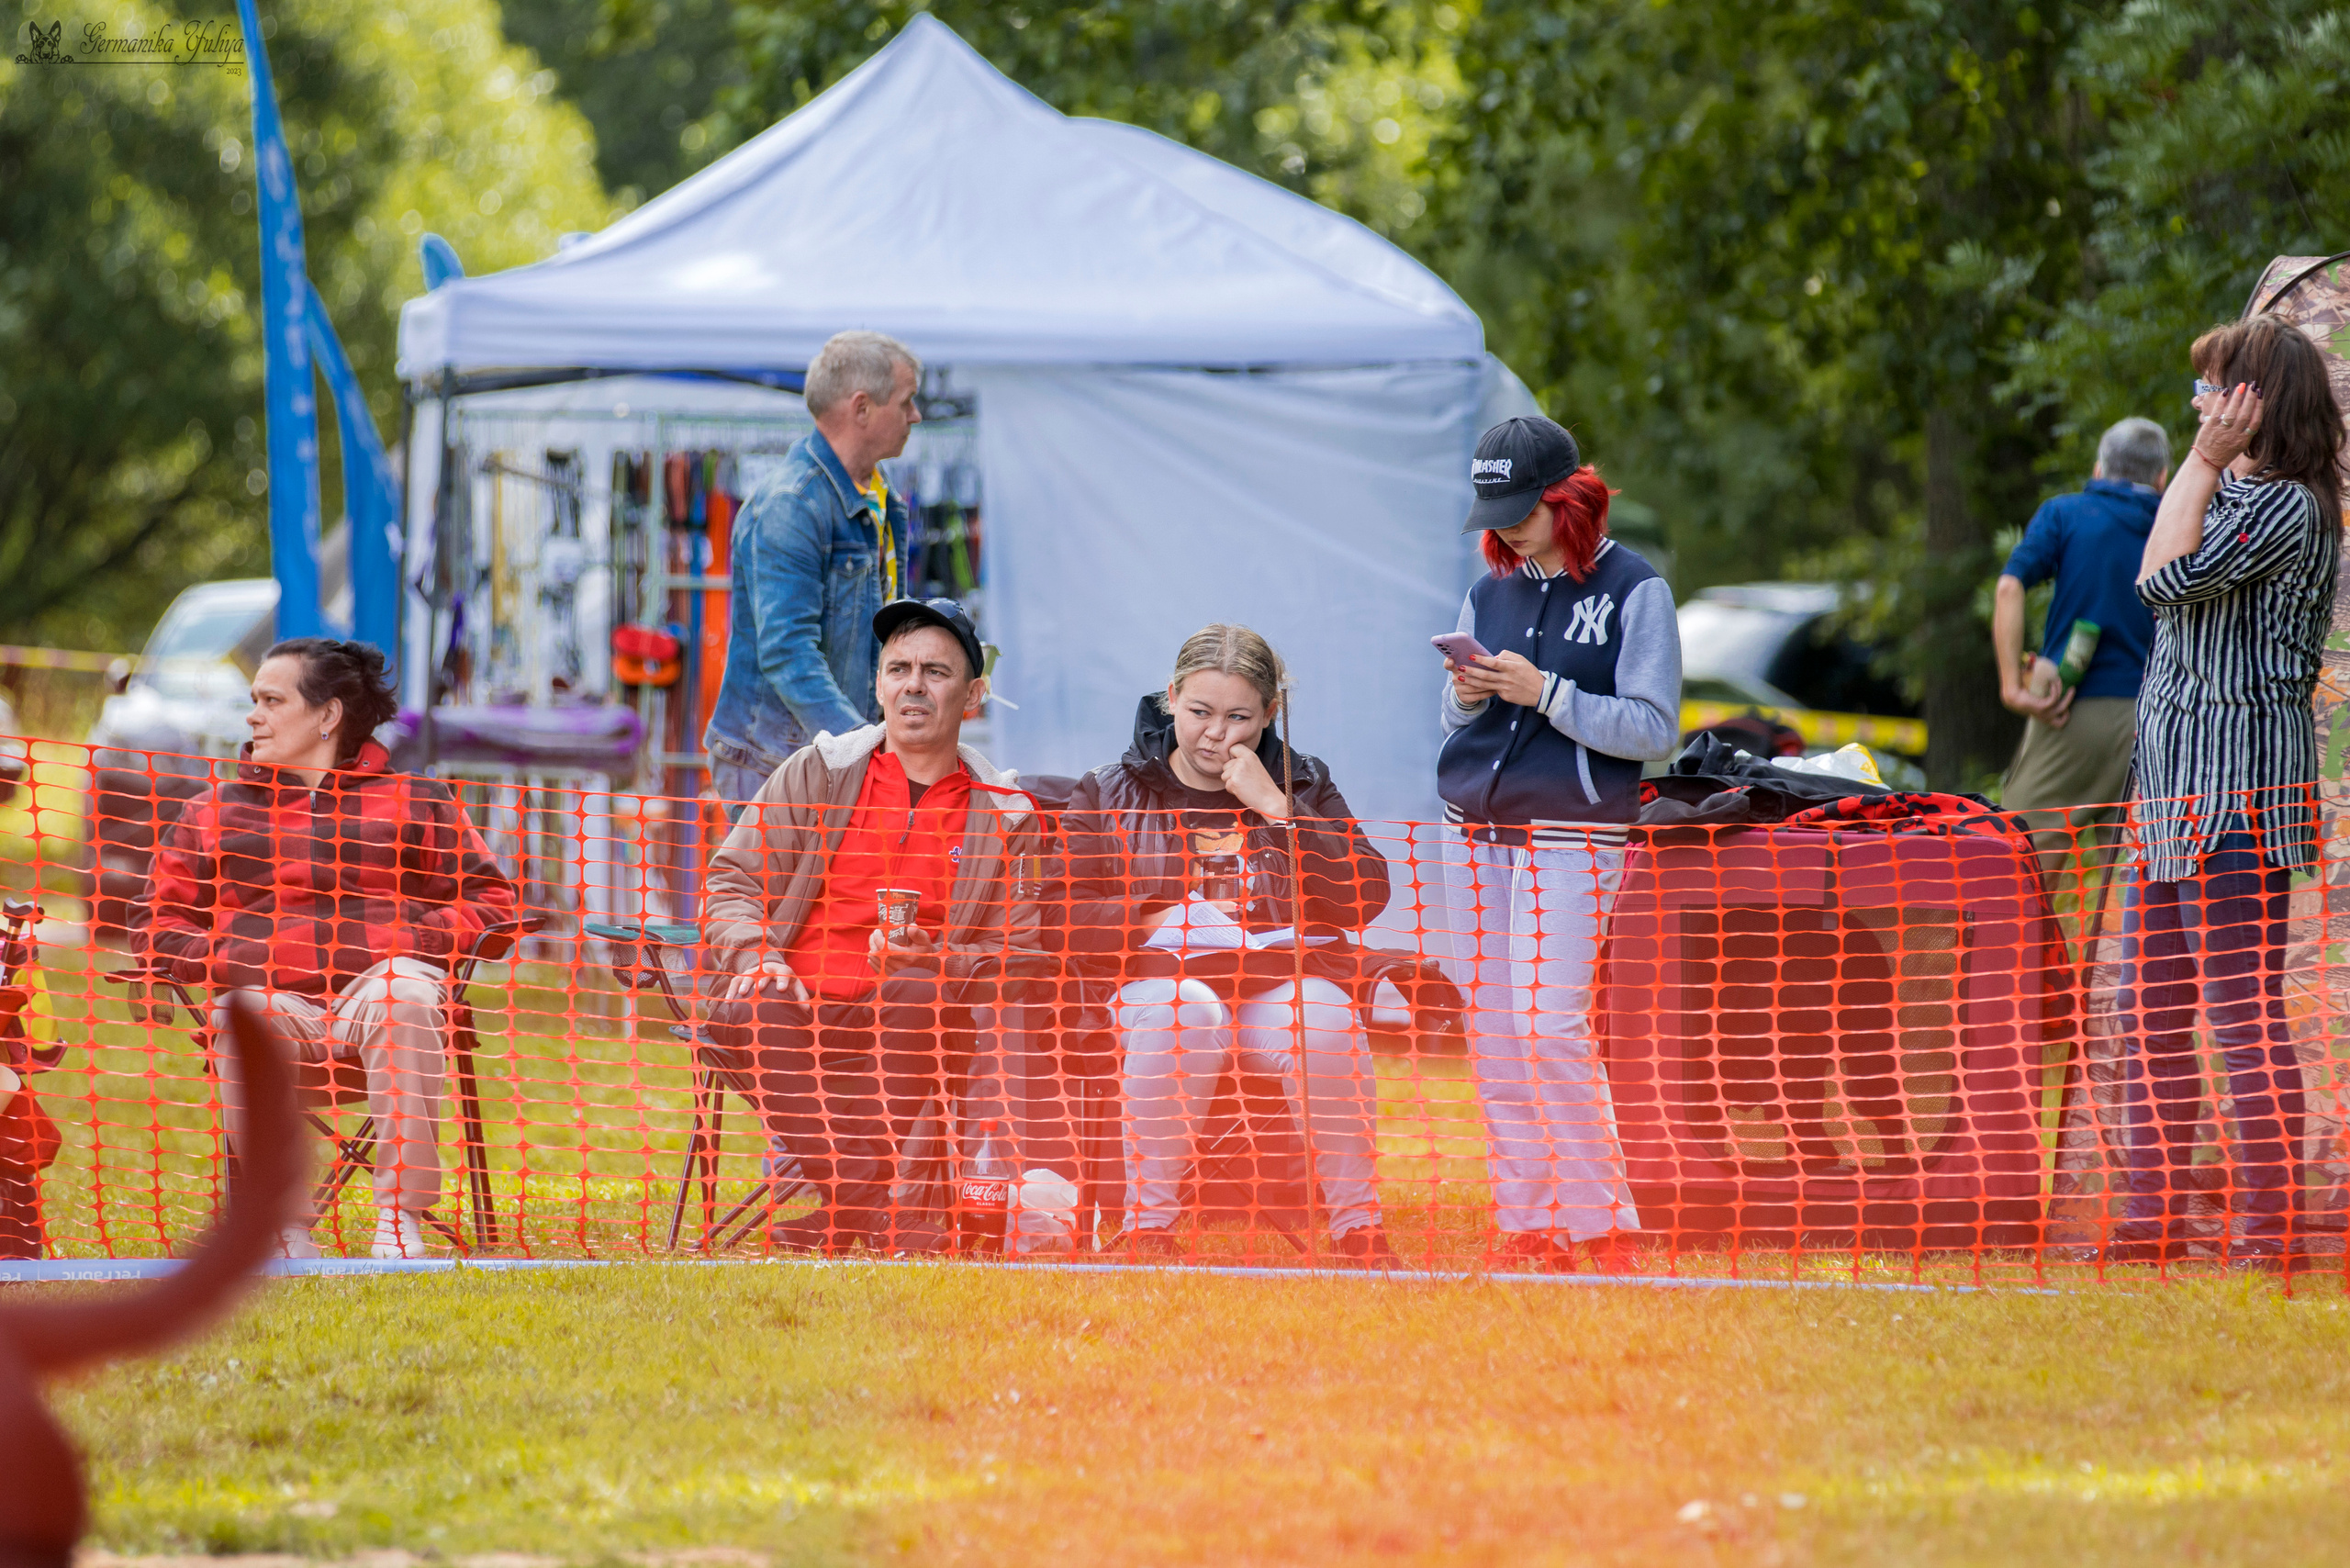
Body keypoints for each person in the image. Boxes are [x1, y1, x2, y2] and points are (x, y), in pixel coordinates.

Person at [140, 639, 519, 1260]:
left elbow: (494, 903)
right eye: (253, 701)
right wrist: (233, 963)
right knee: (245, 1011)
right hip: (276, 1014)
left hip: (387, 1013)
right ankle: (281, 1226)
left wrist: (418, 941)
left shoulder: (420, 801)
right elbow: (155, 923)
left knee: (404, 987)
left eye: (271, 700)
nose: (253, 716)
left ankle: (399, 1219)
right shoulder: (211, 811)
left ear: (327, 715)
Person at [2108, 315, 2344, 1270]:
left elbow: (2157, 579)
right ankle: (2150, 1218)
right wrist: (2205, 468)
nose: (2199, 404)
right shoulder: (2229, 491)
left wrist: (2197, 465)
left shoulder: (2285, 506)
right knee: (2148, 1010)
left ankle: (2267, 1228)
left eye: (2213, 388)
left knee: (2237, 1010)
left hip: (2237, 789)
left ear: (2255, 401)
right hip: (2168, 789)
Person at [703, 598, 1044, 1254]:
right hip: (796, 1001)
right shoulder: (819, 771)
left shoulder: (1006, 812)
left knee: (923, 993)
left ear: (973, 695)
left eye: (936, 672)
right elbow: (733, 879)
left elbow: (1019, 952)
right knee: (753, 1004)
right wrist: (755, 956)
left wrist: (936, 955)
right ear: (878, 684)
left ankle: (846, 1207)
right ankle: (862, 1199)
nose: (914, 684)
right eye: (899, 668)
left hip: (910, 1015)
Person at [1062, 624, 1399, 1262]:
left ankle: (1359, 1227)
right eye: (1199, 713)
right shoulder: (1108, 789)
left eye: (1239, 716)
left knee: (1323, 1015)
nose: (1216, 734)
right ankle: (1147, 1229)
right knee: (1183, 1006)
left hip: (1270, 985)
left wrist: (1279, 811)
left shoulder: (1302, 781)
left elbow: (1366, 896)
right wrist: (1150, 917)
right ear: (1170, 698)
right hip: (1152, 988)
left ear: (1271, 713)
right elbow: (1056, 913)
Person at [1437, 416, 1681, 1273]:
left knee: (1549, 1029)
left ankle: (1602, 1221)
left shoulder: (1636, 589)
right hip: (1474, 828)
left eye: (1518, 508)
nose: (1502, 527)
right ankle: (1524, 1219)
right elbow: (1453, 721)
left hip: (1572, 833)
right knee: (1496, 1032)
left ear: (1566, 498)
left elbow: (1651, 727)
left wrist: (1547, 694)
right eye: (1492, 509)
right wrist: (1470, 693)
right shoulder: (1488, 590)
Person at [703, 330, 923, 810]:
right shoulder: (792, 505)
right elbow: (788, 652)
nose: (916, 416)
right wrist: (868, 748)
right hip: (777, 762)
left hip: (829, 756)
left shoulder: (880, 500)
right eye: (906, 402)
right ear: (861, 408)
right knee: (787, 891)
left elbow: (880, 632)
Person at [1992, 417, 2169, 877]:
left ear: (2098, 468)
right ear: (2162, 478)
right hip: (2154, 723)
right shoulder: (2180, 522)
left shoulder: (2065, 513)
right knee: (2136, 895)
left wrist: (2013, 686)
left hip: (2068, 709)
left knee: (2014, 871)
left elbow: (2010, 588)